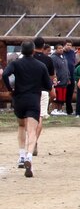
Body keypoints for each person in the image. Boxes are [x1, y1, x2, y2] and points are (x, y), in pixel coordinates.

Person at [3, 40, 53, 176]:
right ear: (33, 51)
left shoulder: (15, 63)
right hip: (33, 99)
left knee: (21, 127)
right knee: (32, 130)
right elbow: (48, 85)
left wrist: (10, 89)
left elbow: (4, 74)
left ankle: (21, 156)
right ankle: (29, 156)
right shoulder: (41, 65)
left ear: (21, 51)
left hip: (19, 98)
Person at [49, 44, 70, 116]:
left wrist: (68, 77)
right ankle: (54, 109)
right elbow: (53, 69)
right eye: (59, 48)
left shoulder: (63, 57)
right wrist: (55, 78)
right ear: (55, 49)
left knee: (62, 96)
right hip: (57, 80)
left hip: (64, 80)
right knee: (56, 96)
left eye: (61, 48)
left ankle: (60, 110)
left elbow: (66, 69)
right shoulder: (53, 58)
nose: (61, 49)